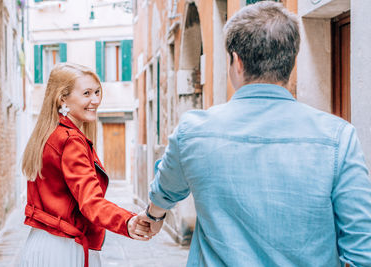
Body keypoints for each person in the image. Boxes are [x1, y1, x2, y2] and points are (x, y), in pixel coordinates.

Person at [138, 1, 371, 266]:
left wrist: (154, 217)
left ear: (236, 61)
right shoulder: (339, 137)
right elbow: (361, 247)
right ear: (291, 60)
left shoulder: (193, 131)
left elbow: (165, 189)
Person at [19, 63, 150, 267]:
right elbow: (91, 202)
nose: (95, 100)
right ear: (63, 98)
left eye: (97, 92)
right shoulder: (71, 140)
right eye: (86, 93)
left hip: (41, 243)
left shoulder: (48, 134)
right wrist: (127, 221)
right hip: (64, 249)